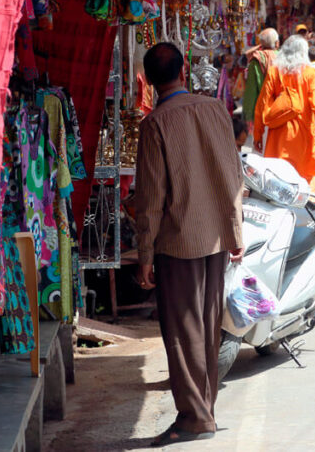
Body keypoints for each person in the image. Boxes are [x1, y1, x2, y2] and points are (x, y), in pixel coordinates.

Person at [134, 43, 244, 446]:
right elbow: (234, 174)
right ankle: (204, 411)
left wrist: (144, 255)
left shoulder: (155, 124)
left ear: (147, 82)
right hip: (215, 235)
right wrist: (236, 232)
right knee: (207, 325)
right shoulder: (215, 109)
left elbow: (149, 198)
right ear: (183, 72)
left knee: (183, 332)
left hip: (177, 240)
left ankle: (195, 418)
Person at [253, 35, 315, 192]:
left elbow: (262, 105)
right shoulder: (310, 74)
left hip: (278, 136)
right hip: (304, 135)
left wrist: (258, 135)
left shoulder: (275, 72)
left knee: (277, 179)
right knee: (305, 180)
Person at [242, 28, 278, 124]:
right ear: (277, 43)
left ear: (261, 43)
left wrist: (248, 115)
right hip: (281, 111)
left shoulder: (256, 60)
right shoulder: (283, 58)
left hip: (262, 112)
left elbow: (251, 90)